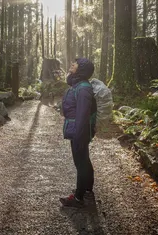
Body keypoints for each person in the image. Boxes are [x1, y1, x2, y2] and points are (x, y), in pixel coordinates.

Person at [59, 58, 96, 208]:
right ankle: (86, 189)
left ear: (81, 69)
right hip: (77, 128)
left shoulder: (83, 89)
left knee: (80, 162)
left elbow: (82, 114)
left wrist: (80, 135)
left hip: (79, 129)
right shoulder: (79, 86)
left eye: (74, 64)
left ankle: (78, 198)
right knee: (83, 159)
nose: (71, 65)